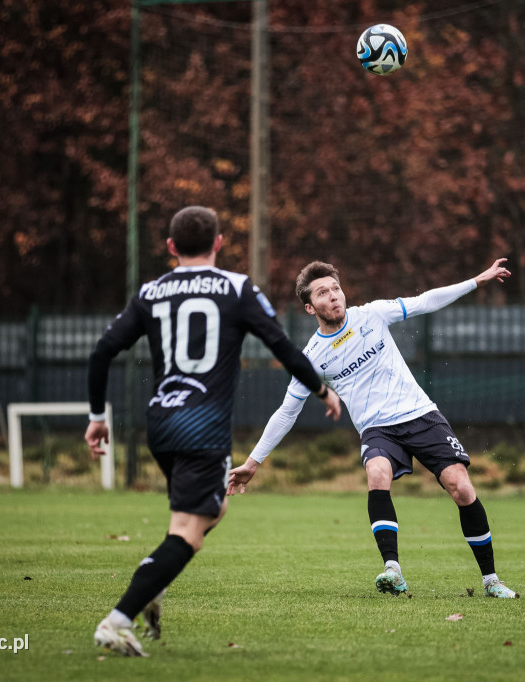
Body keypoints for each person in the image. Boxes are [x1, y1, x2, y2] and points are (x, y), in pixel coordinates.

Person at [85, 206, 341, 657]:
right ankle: (118, 619)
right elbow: (281, 346)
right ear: (219, 243)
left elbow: (102, 351)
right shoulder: (236, 288)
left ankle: (154, 582)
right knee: (189, 532)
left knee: (210, 511)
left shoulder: (151, 291)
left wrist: (97, 417)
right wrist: (321, 389)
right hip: (202, 427)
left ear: (170, 247)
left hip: (161, 423)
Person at [228, 258, 520, 599]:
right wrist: (253, 461)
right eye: (323, 293)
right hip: (377, 429)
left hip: (420, 415)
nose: (334, 296)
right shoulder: (311, 357)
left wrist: (478, 279)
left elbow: (425, 301)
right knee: (377, 473)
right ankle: (392, 570)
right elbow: (286, 412)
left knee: (461, 487)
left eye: (336, 288)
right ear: (310, 307)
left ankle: (491, 581)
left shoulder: (373, 315)